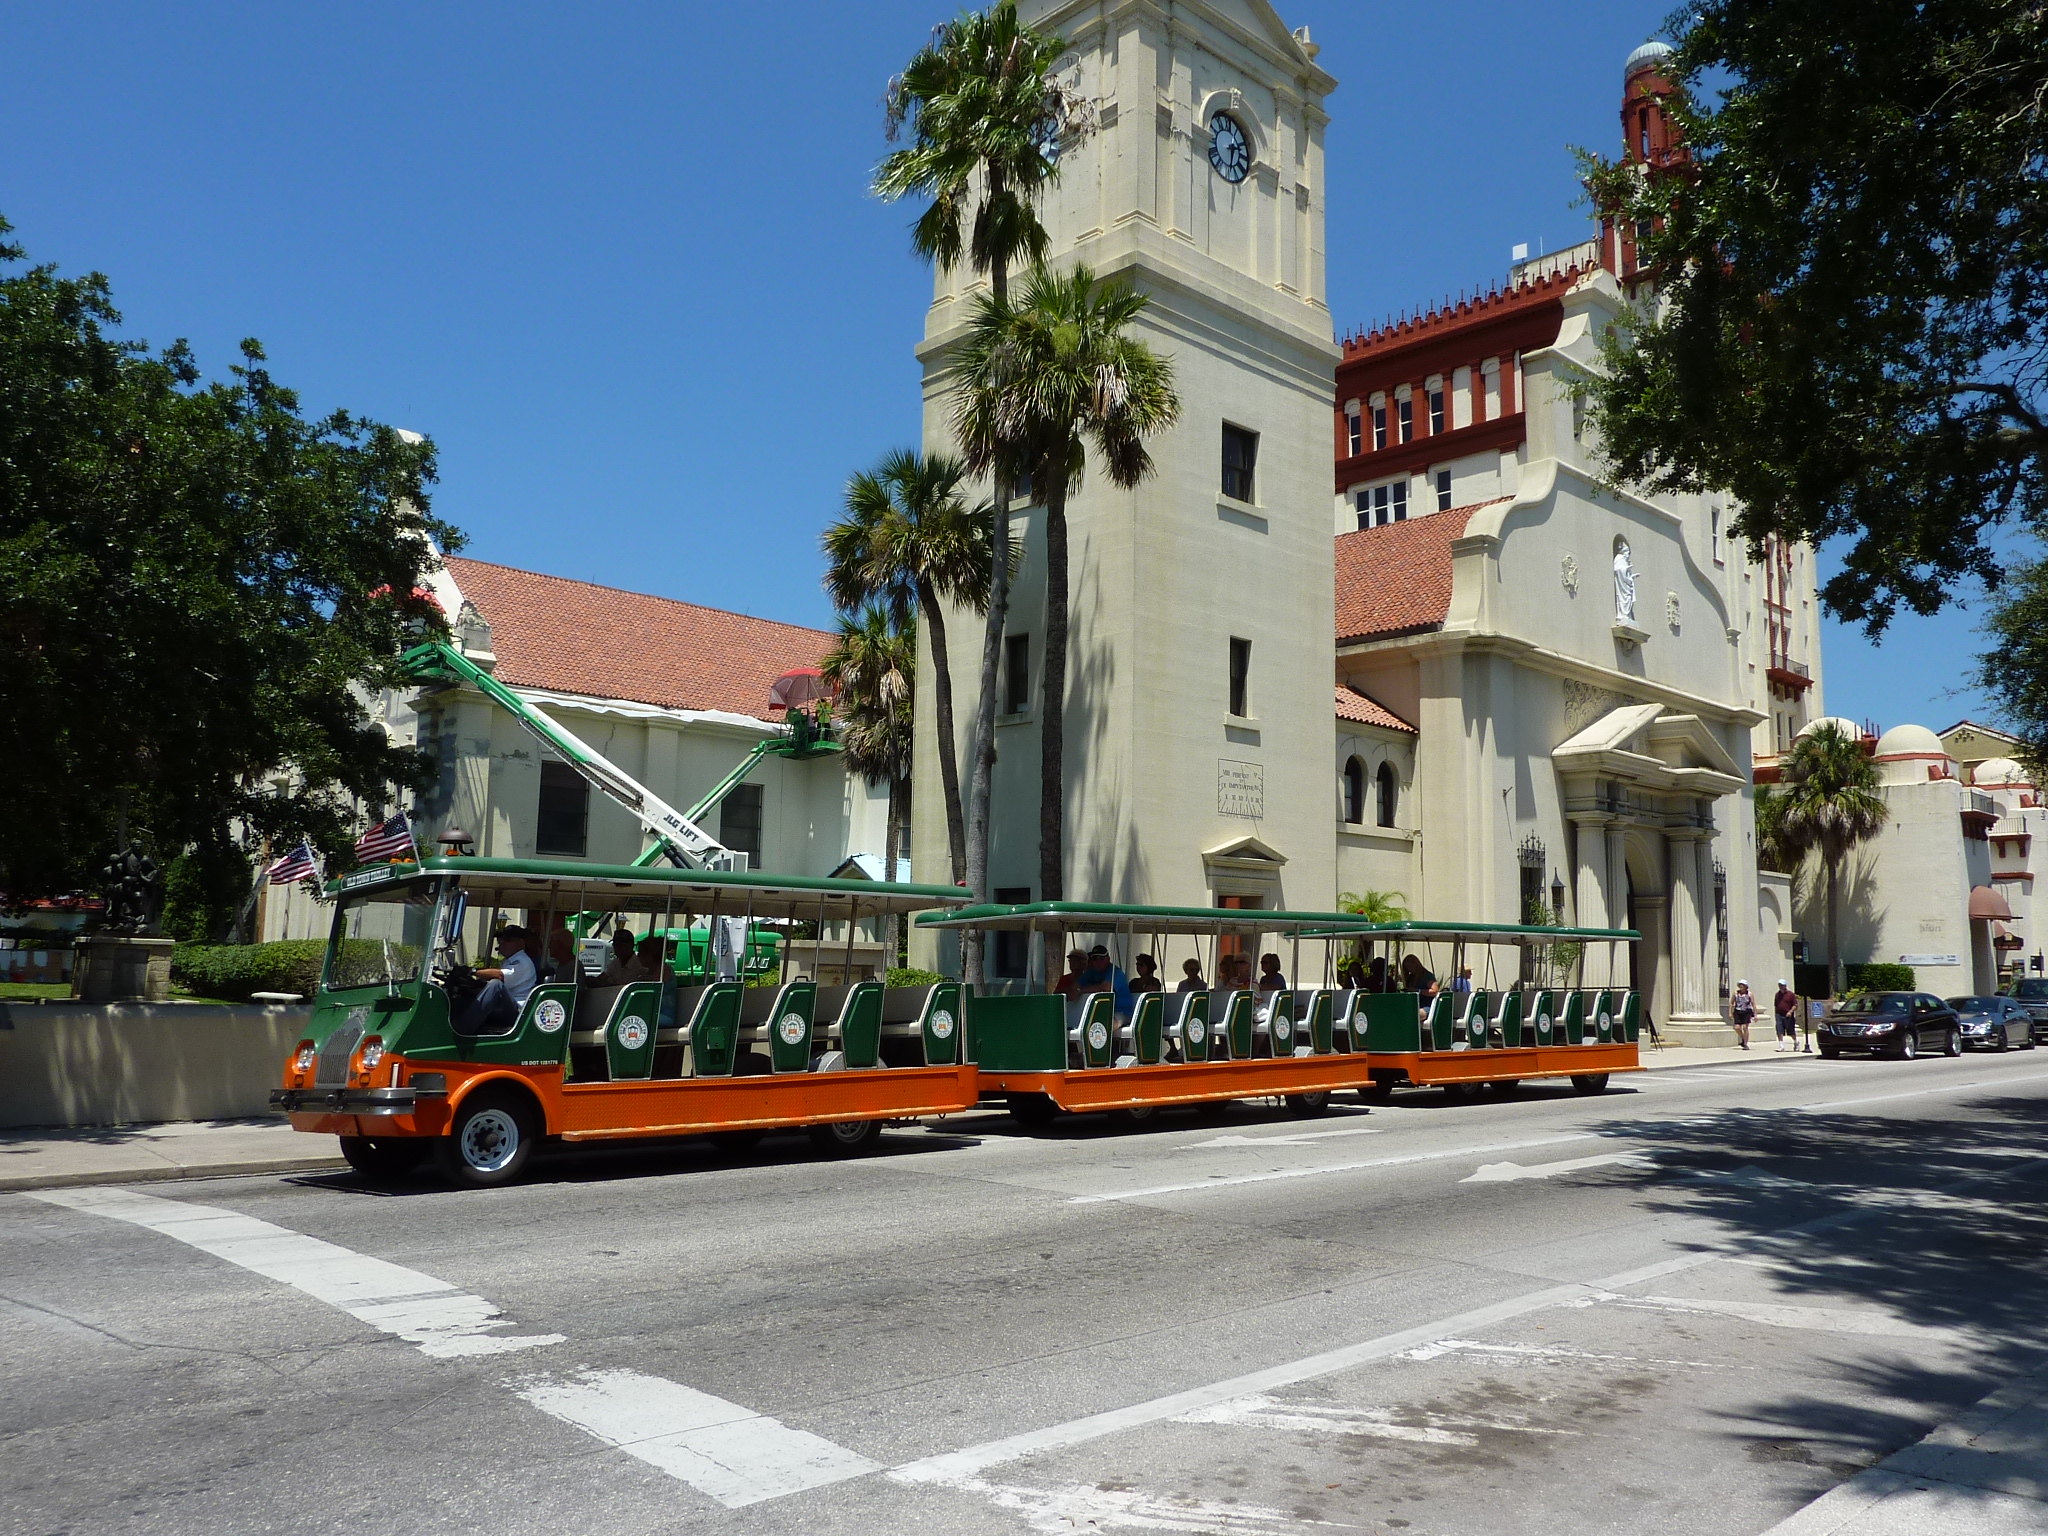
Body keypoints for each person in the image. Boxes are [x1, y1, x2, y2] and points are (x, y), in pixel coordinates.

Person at [456, 925, 537, 1033]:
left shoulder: (522, 961)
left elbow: (500, 976)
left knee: (496, 985)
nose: (502, 943)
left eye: (508, 940)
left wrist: (472, 971)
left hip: (517, 1011)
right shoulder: (508, 960)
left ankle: (462, 1031)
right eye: (500, 940)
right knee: (465, 995)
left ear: (521, 943)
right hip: (506, 1006)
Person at [1774, 979, 1801, 1052]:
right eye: (1779, 985)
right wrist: (1776, 1014)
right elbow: (1776, 1005)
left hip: (1788, 1015)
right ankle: (1781, 1046)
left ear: (1785, 986)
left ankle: (1796, 1042)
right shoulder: (1777, 994)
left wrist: (1790, 1011)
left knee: (1790, 1031)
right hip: (1779, 1014)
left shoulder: (1791, 994)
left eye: (1782, 985)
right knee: (1779, 1030)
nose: (1780, 986)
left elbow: (1795, 1005)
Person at [1730, 979, 1758, 1050]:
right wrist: (1730, 1012)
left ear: (1746, 986)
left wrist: (1755, 1015)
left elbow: (1753, 1004)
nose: (1741, 986)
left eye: (1743, 985)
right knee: (1737, 1028)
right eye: (1740, 985)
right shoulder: (1735, 994)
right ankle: (1743, 1038)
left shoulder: (1749, 994)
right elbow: (1731, 1003)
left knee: (1745, 1027)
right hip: (1738, 1011)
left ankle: (1745, 1043)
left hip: (1747, 1011)